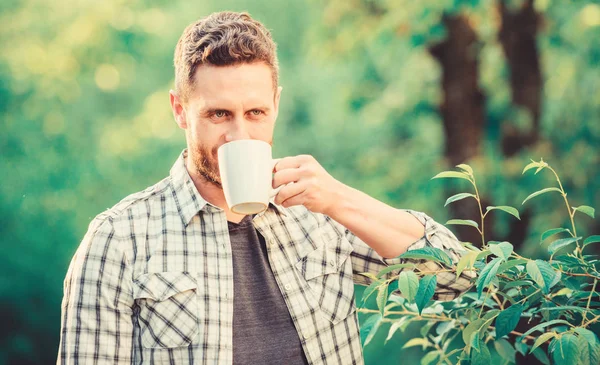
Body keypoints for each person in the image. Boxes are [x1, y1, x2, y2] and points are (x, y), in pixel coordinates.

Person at [57, 11, 474, 365]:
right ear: (180, 111)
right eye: (219, 114)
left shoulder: (320, 211)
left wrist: (340, 200)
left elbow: (456, 277)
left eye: (255, 112)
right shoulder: (118, 239)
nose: (240, 134)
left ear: (276, 102)